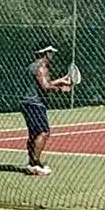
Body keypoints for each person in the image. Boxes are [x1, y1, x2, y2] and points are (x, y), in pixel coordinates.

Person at [22, 44, 73, 176]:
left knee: (34, 134)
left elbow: (41, 83)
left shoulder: (32, 66)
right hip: (35, 104)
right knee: (43, 132)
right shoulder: (41, 68)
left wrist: (60, 80)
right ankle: (36, 164)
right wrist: (61, 89)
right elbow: (45, 86)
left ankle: (32, 163)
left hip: (27, 103)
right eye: (51, 53)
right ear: (46, 54)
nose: (52, 55)